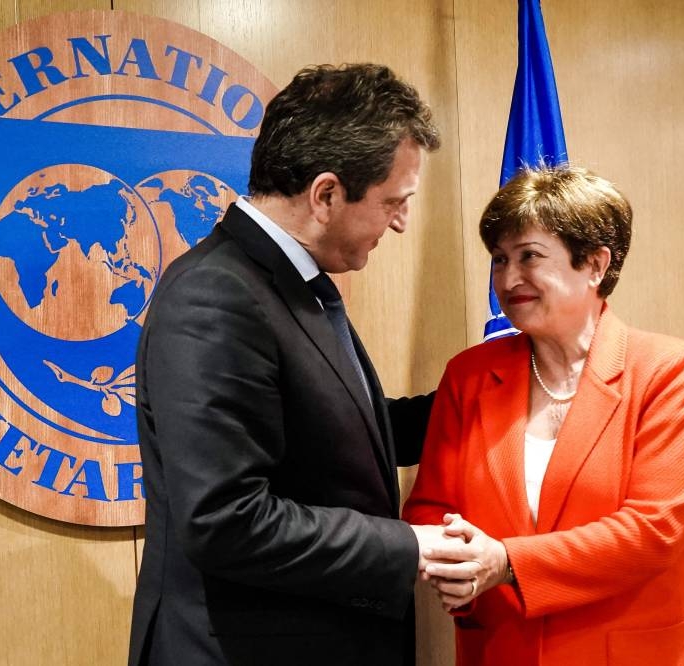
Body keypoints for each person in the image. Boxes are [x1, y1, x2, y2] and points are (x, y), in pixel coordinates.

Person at [128, 63, 454, 666]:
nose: (402, 222)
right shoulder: (217, 295)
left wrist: (484, 399)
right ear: (326, 194)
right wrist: (410, 547)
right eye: (393, 202)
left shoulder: (287, 281)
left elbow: (332, 433)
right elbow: (226, 519)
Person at [403, 164, 684, 665]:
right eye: (499, 259)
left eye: (529, 257)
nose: (507, 278)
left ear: (594, 264)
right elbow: (428, 506)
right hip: (501, 649)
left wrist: (505, 563)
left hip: (628, 651)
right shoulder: (469, 374)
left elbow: (653, 530)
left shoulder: (668, 371)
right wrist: (458, 565)